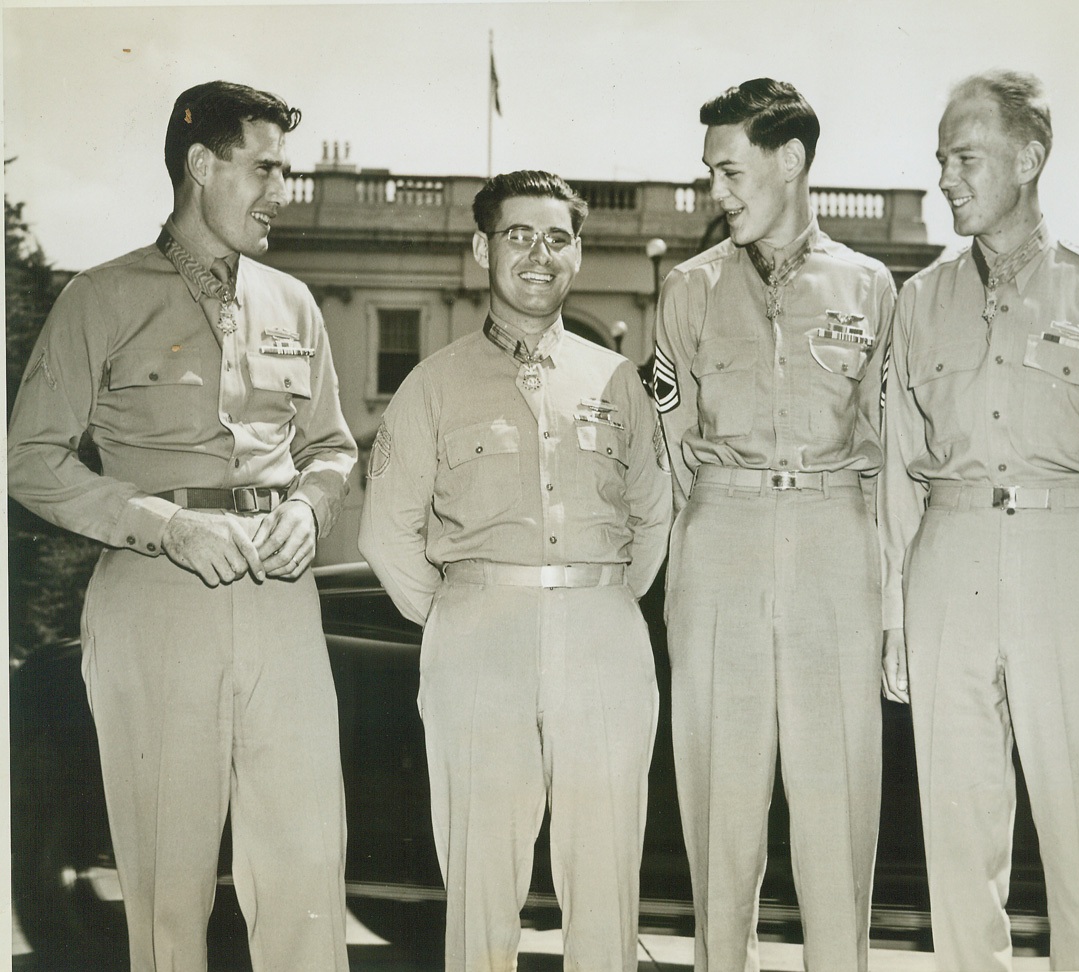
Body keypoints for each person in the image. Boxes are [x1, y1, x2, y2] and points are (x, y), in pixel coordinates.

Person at [7, 81, 356, 972]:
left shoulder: (294, 303)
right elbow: (30, 459)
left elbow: (332, 447)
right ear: (202, 166)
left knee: (309, 869)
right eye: (266, 168)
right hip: (156, 599)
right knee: (169, 884)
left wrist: (313, 506)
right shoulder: (101, 296)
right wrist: (161, 523)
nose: (283, 189)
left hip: (282, 600)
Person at [879, 69, 1079, 971]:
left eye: (965, 158)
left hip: (1070, 565)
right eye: (940, 162)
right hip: (948, 564)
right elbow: (896, 475)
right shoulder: (918, 303)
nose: (947, 179)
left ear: (1030, 157)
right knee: (958, 840)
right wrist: (894, 618)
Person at [358, 169, 671, 972]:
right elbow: (389, 534)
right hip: (479, 638)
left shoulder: (616, 382)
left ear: (578, 253)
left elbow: (654, 516)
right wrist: (468, 611)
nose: (540, 254)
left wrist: (593, 603)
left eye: (558, 238)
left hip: (602, 631)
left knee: (605, 873)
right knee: (481, 876)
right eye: (518, 235)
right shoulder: (432, 384)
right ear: (481, 248)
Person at [654, 79, 895, 972]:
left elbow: (891, 446)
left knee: (837, 805)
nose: (715, 192)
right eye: (709, 175)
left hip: (835, 539)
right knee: (720, 805)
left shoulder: (869, 286)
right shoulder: (688, 289)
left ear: (789, 161)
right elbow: (673, 447)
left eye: (728, 171)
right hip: (724, 537)